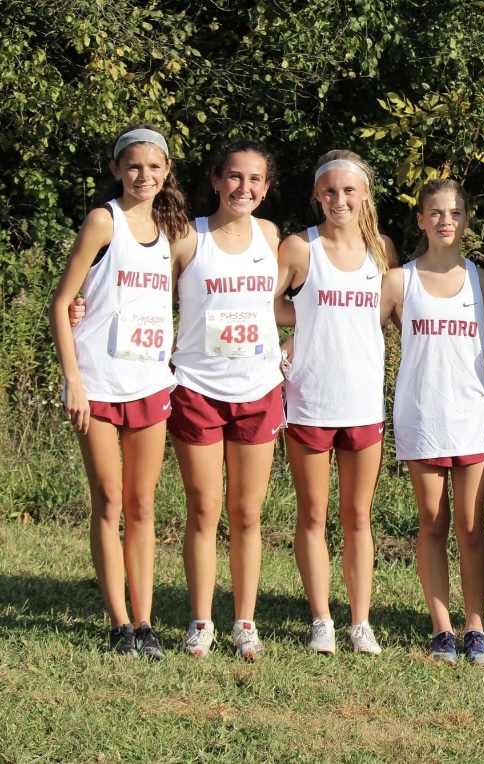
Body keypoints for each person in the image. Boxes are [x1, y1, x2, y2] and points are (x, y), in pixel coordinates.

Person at [50, 125, 188, 658]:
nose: (144, 176)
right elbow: (63, 303)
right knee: (109, 500)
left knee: (144, 503)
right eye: (133, 166)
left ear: (167, 170)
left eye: (154, 167)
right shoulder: (102, 221)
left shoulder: (171, 229)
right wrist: (75, 382)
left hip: (151, 384)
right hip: (100, 385)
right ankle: (118, 623)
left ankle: (146, 622)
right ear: (115, 170)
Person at [276, 150, 397, 656]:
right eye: (329, 191)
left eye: (349, 191)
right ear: (316, 195)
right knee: (312, 515)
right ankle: (322, 619)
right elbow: (265, 304)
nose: (339, 200)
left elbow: (400, 313)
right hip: (309, 400)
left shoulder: (382, 250)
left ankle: (360, 622)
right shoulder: (298, 248)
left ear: (365, 194)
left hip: (364, 401)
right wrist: (292, 332)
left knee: (358, 516)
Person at [169, 140, 285, 659]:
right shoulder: (187, 238)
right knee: (203, 509)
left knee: (246, 513)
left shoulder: (271, 236)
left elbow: (288, 304)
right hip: (198, 389)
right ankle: (200, 620)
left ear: (266, 187)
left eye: (255, 179)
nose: (244, 188)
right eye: (234, 177)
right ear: (216, 180)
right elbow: (144, 293)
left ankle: (244, 621)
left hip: (258, 389)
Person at [381, 178, 484, 665]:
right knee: (432, 524)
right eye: (434, 212)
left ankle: (475, 626)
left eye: (454, 212)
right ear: (420, 219)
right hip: (422, 413)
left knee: (473, 527)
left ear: (467, 220)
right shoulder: (398, 280)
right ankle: (442, 629)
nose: (445, 220)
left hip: (472, 415)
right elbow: (361, 334)